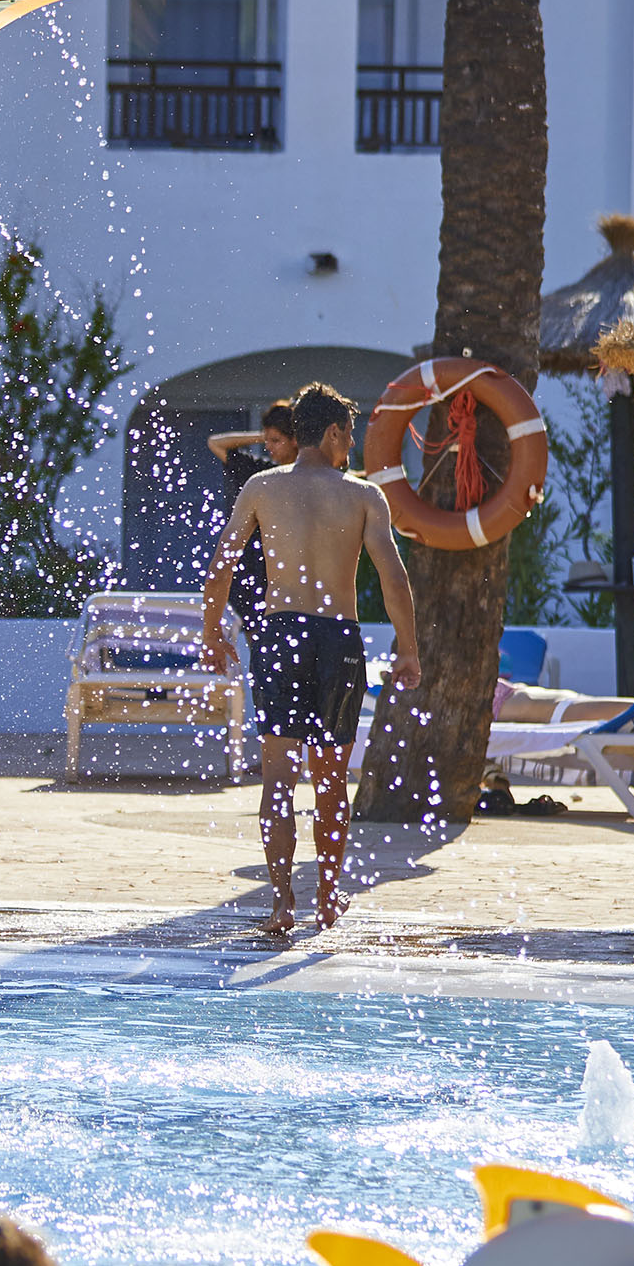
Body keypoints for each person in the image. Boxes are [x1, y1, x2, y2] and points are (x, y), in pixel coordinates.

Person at [201, 383, 421, 940]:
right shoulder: (363, 495)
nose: (352, 448)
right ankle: (326, 896)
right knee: (330, 781)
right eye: (350, 436)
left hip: (279, 635)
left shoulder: (261, 486)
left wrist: (211, 633)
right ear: (332, 433)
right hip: (337, 639)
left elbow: (223, 563)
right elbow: (393, 577)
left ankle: (281, 902)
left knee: (278, 778)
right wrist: (409, 650)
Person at [201, 401, 299, 635]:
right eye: (267, 441)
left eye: (276, 441)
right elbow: (215, 443)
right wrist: (263, 435)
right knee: (257, 642)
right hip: (253, 572)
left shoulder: (312, 478)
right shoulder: (259, 473)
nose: (268, 447)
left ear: (296, 440)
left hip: (291, 577)